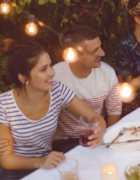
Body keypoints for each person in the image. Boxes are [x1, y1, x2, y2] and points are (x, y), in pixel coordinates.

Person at [0, 39, 105, 171]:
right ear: (23, 78)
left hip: (49, 162)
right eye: (43, 69)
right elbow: (6, 160)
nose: (52, 73)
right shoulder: (4, 105)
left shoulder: (58, 90)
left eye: (50, 65)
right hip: (17, 169)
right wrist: (39, 162)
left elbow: (95, 118)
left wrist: (99, 131)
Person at [52, 26, 122, 150]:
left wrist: (108, 141)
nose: (102, 53)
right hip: (65, 142)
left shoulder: (107, 73)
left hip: (97, 136)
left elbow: (114, 112)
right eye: (95, 50)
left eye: (100, 47)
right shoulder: (54, 76)